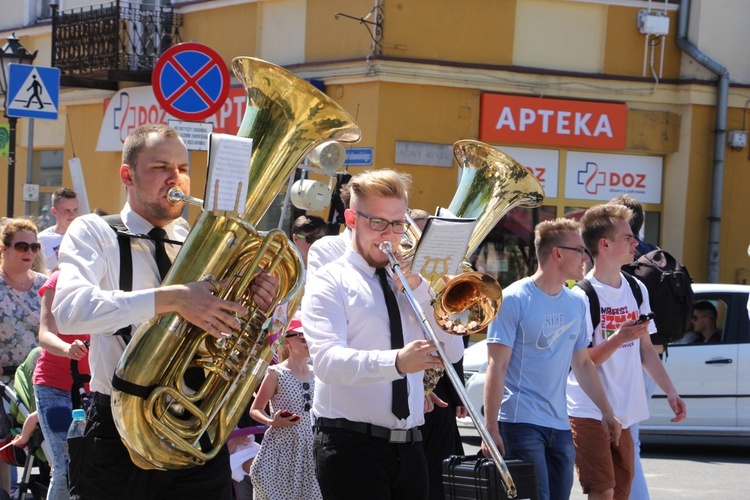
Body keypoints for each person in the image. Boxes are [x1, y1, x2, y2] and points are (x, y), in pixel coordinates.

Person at [52, 124, 279, 500]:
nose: (176, 178)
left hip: (197, 422)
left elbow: (223, 333)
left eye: (184, 168)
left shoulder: (201, 240)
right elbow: (70, 311)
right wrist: (170, 298)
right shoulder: (94, 231)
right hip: (120, 424)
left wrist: (256, 303)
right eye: (160, 167)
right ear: (128, 175)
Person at [302, 169, 464, 500]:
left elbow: (453, 351)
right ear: (351, 219)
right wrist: (398, 362)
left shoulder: (407, 282)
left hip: (411, 444)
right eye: (377, 223)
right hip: (351, 444)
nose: (389, 235)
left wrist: (419, 288)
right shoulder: (331, 279)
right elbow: (328, 362)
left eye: (398, 224)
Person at [483, 218, 621, 500]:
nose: (586, 257)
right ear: (557, 253)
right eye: (580, 250)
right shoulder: (513, 299)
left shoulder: (575, 302)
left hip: (559, 425)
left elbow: (582, 363)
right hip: (520, 423)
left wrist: (607, 411)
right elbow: (497, 366)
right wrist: (490, 427)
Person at [566, 203, 686, 499]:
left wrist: (671, 391)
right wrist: (619, 339)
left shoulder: (636, 288)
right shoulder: (581, 296)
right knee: (603, 491)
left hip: (626, 411)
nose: (635, 243)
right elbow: (581, 362)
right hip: (589, 410)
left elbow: (645, 350)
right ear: (604, 244)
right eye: (628, 238)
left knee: (620, 492)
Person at [249, 314, 322, 500]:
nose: (307, 341)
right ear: (287, 342)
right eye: (302, 337)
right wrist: (272, 421)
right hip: (282, 447)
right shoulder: (276, 373)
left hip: (311, 446)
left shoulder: (318, 373)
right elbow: (255, 409)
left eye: (309, 336)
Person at [33, 269, 91, 500]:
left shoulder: (107, 276)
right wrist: (68, 349)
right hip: (53, 386)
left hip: (94, 388)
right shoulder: (58, 280)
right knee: (65, 466)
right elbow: (45, 334)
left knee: (94, 464)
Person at [0, 218, 48, 493]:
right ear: (5, 249)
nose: (29, 252)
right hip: (4, 379)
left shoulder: (45, 285)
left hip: (40, 376)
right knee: (6, 438)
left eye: (34, 246)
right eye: (21, 246)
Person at [306, 182, 352, 278]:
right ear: (352, 219)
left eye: (393, 223)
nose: (389, 232)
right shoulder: (326, 249)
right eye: (377, 221)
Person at [37, 188, 79, 271]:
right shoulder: (41, 240)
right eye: (67, 210)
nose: (72, 214)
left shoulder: (85, 237)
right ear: (54, 212)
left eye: (75, 210)